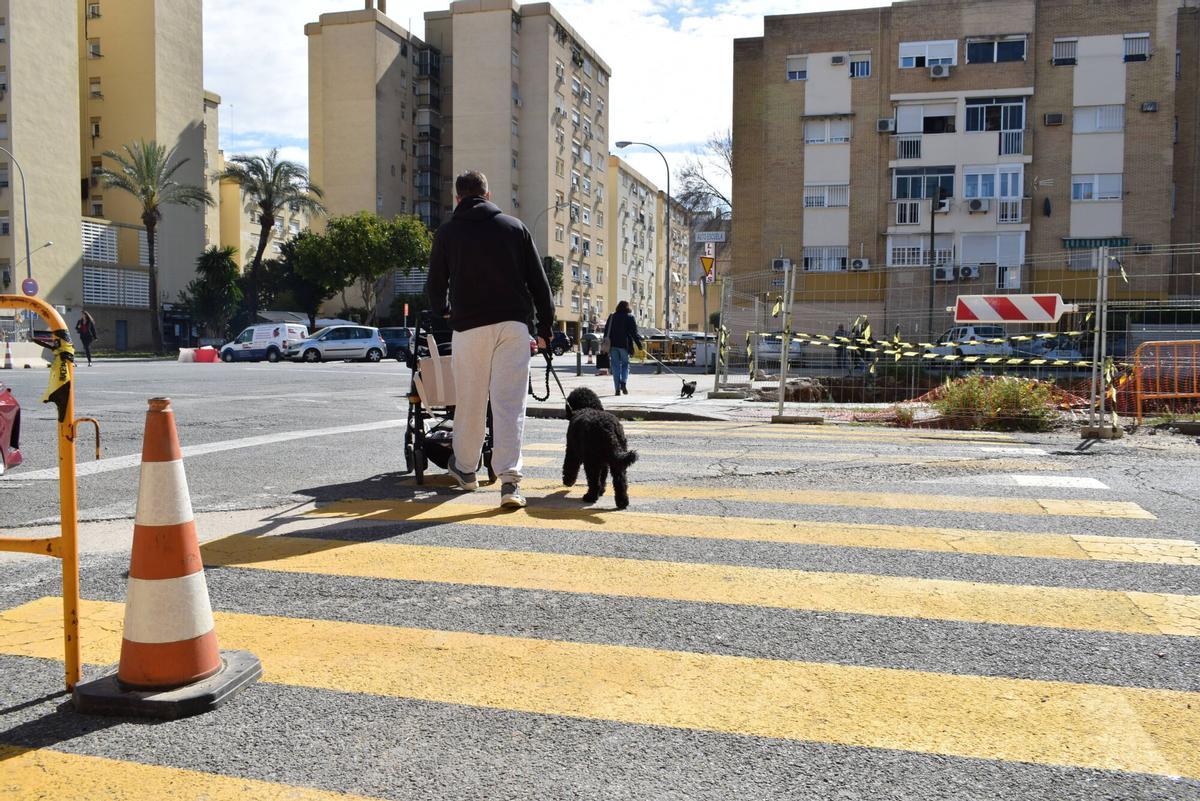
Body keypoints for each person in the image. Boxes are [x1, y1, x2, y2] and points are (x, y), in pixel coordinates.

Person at [426, 170, 554, 509]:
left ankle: (467, 470)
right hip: (513, 326)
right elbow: (539, 284)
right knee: (509, 404)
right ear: (488, 194)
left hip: (469, 328)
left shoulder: (447, 232)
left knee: (471, 400)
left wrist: (443, 311)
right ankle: (510, 482)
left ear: (457, 198)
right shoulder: (515, 227)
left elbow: (435, 285)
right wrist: (545, 328)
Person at [604, 300, 643, 395]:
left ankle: (617, 389)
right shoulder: (630, 317)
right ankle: (623, 382)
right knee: (625, 365)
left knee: (615, 366)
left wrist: (605, 344)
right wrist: (639, 345)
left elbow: (606, 331)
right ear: (627, 307)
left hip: (613, 345)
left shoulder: (612, 316)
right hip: (624, 345)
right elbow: (634, 333)